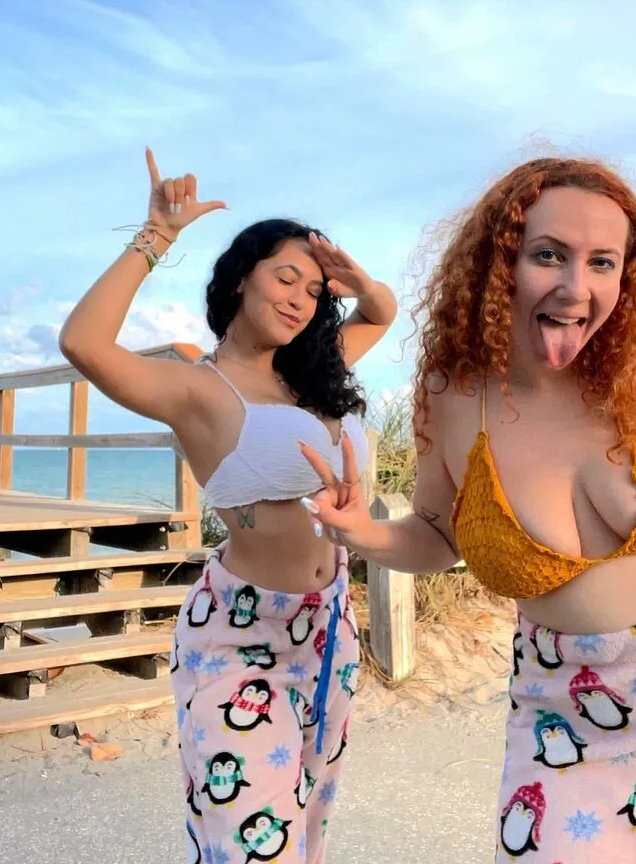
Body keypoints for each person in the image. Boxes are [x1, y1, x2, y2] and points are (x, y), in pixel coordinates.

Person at [299, 157, 636, 864]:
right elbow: (436, 534)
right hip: (572, 706)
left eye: (602, 262)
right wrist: (362, 534)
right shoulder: (454, 393)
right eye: (549, 255)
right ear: (498, 262)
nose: (575, 288)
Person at [59, 148, 398, 864]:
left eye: (314, 290)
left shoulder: (315, 374)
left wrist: (358, 282)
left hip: (331, 627)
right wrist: (158, 235)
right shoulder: (198, 388)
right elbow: (83, 343)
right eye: (285, 277)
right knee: (251, 845)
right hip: (239, 637)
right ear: (242, 277)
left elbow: (382, 312)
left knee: (306, 829)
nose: (300, 298)